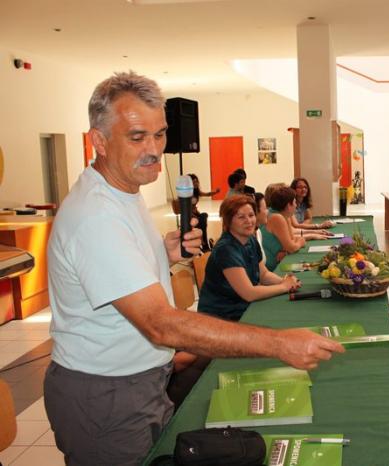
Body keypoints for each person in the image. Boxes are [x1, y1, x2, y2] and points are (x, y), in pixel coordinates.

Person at [45, 71, 344, 466]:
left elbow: (117, 272)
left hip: (141, 380)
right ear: (99, 141)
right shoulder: (96, 216)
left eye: (160, 135)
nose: (154, 150)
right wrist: (278, 343)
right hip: (107, 394)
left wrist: (160, 253)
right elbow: (160, 324)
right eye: (137, 137)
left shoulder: (123, 192)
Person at [198, 195, 301, 321]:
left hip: (242, 308)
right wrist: (284, 287)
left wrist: (285, 282)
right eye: (241, 217)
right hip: (222, 317)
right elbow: (249, 293)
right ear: (228, 221)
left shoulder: (250, 239)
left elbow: (264, 275)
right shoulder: (226, 249)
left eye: (251, 215)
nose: (249, 221)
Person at [259, 186, 306, 271]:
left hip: (277, 262)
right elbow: (292, 248)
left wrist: (286, 250)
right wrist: (300, 242)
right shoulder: (277, 218)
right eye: (294, 202)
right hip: (270, 268)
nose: (296, 205)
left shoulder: (283, 215)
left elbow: (291, 240)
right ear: (288, 205)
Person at [188, 173, 219, 251]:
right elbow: (186, 209)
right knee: (202, 221)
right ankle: (204, 244)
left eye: (196, 181)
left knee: (204, 216)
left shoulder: (196, 191)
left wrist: (215, 192)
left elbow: (207, 194)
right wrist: (194, 216)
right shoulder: (187, 194)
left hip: (195, 214)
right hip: (189, 216)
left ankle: (204, 243)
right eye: (193, 182)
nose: (196, 183)